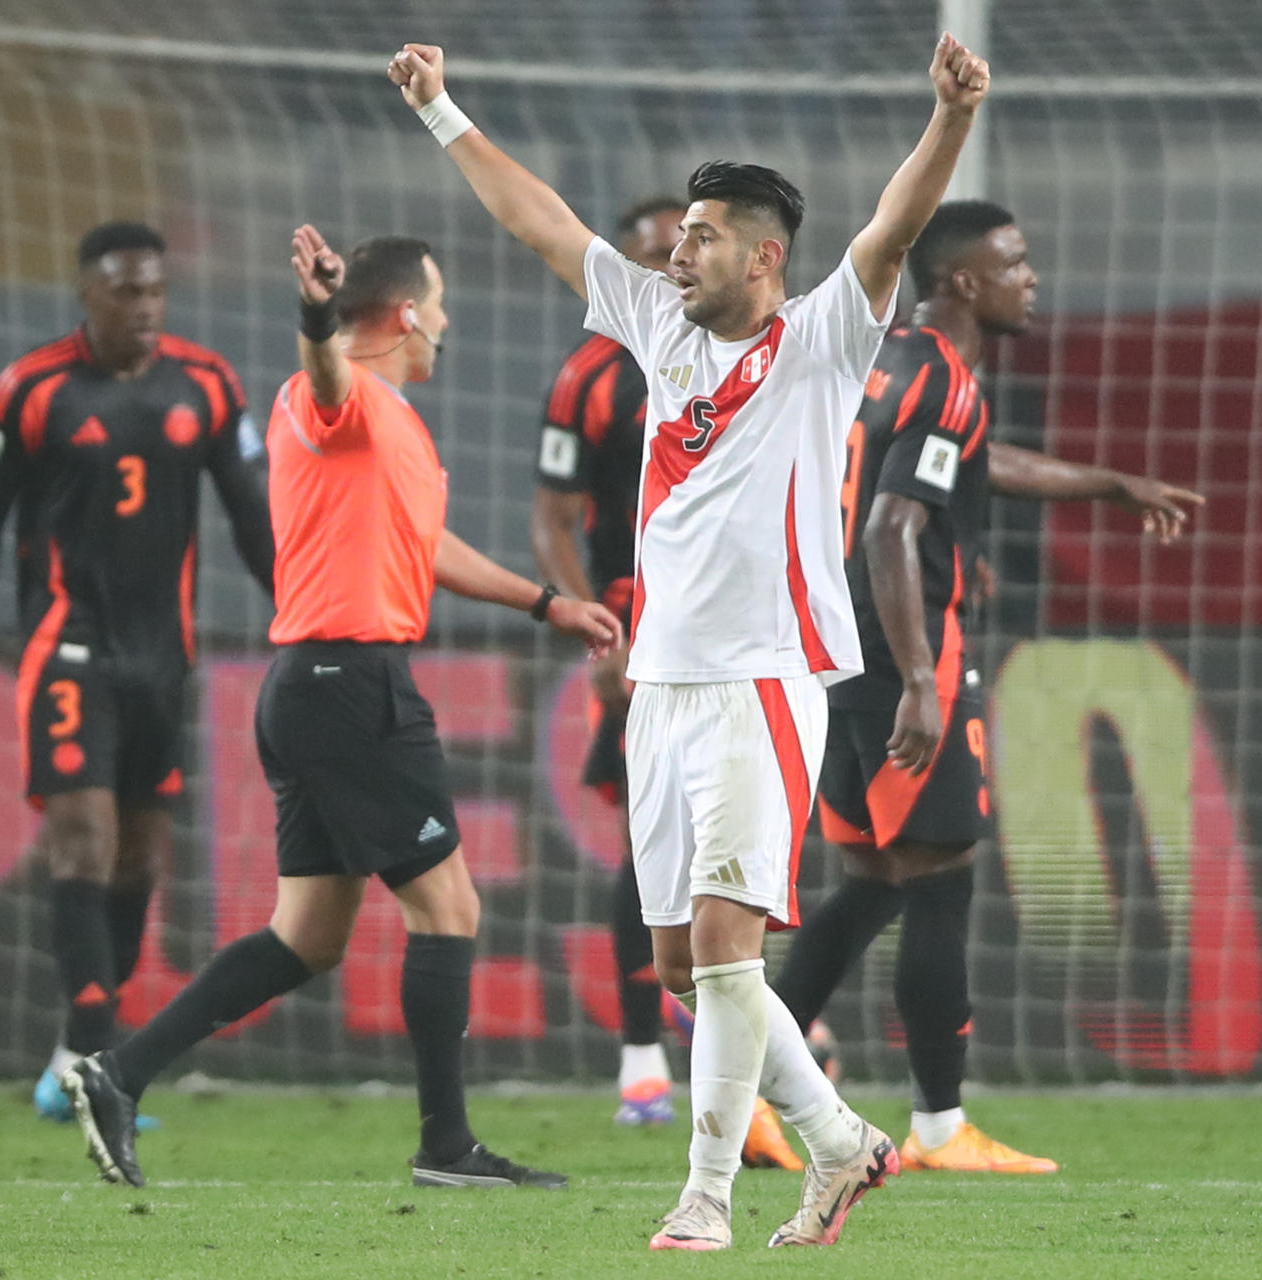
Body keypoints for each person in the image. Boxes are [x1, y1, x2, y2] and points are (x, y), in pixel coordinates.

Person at [391, 32, 989, 1251]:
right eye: (679, 234)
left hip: (765, 678)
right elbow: (544, 225)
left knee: (726, 943)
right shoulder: (659, 331)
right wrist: (443, 109)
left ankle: (706, 1193)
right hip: (661, 681)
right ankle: (841, 1144)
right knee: (681, 962)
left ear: (766, 257)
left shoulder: (824, 337)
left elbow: (889, 226)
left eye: (705, 235)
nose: (679, 249)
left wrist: (949, 122)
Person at [62, 229, 622, 1190]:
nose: (446, 324)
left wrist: (546, 602)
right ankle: (446, 1147)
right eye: (438, 305)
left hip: (312, 686)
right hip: (350, 685)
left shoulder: (390, 423)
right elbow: (325, 372)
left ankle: (117, 1072)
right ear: (406, 314)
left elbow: (425, 543)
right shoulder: (344, 396)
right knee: (449, 906)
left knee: (307, 937)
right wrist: (317, 313)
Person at [771, 199, 1203, 1174]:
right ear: (963, 281)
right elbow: (892, 528)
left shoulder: (892, 362)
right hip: (903, 660)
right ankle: (937, 1127)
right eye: (1014, 263)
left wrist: (1107, 483)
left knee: (873, 884)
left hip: (841, 653)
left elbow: (962, 463)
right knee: (939, 878)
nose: (1030, 278)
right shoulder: (948, 379)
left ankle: (749, 1087)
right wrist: (925, 680)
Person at [0, 221, 275, 1125]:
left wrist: (299, 611)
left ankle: (70, 1060)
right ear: (87, 292)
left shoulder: (206, 384)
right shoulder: (31, 387)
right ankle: (95, 1054)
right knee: (82, 836)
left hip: (163, 655)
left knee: (142, 859)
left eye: (157, 292)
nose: (145, 308)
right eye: (127, 292)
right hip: (65, 642)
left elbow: (251, 513)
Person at [528, 194, 806, 1170]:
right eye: (660, 251)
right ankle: (645, 1052)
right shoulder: (597, 373)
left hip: (740, 652)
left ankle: (764, 1092)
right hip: (636, 632)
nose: (671, 267)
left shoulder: (778, 359)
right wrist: (592, 627)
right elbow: (552, 512)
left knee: (726, 893)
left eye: (687, 246)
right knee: (647, 861)